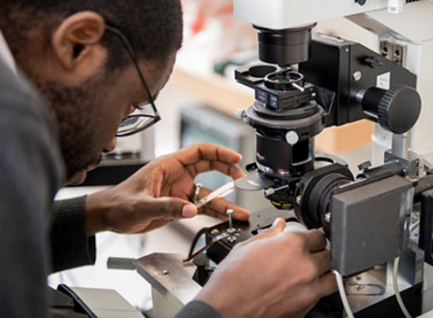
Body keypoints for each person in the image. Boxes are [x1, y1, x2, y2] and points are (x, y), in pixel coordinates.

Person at [0, 1, 337, 317]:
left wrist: (98, 212)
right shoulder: (11, 123)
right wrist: (225, 308)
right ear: (78, 45)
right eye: (129, 106)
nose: (110, 143)